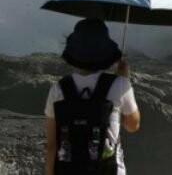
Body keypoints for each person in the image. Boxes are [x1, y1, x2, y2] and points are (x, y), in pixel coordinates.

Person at [44, 18, 141, 175]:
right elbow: (132, 125)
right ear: (106, 53)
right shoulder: (119, 85)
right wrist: (124, 79)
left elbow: (51, 146)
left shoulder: (58, 89)